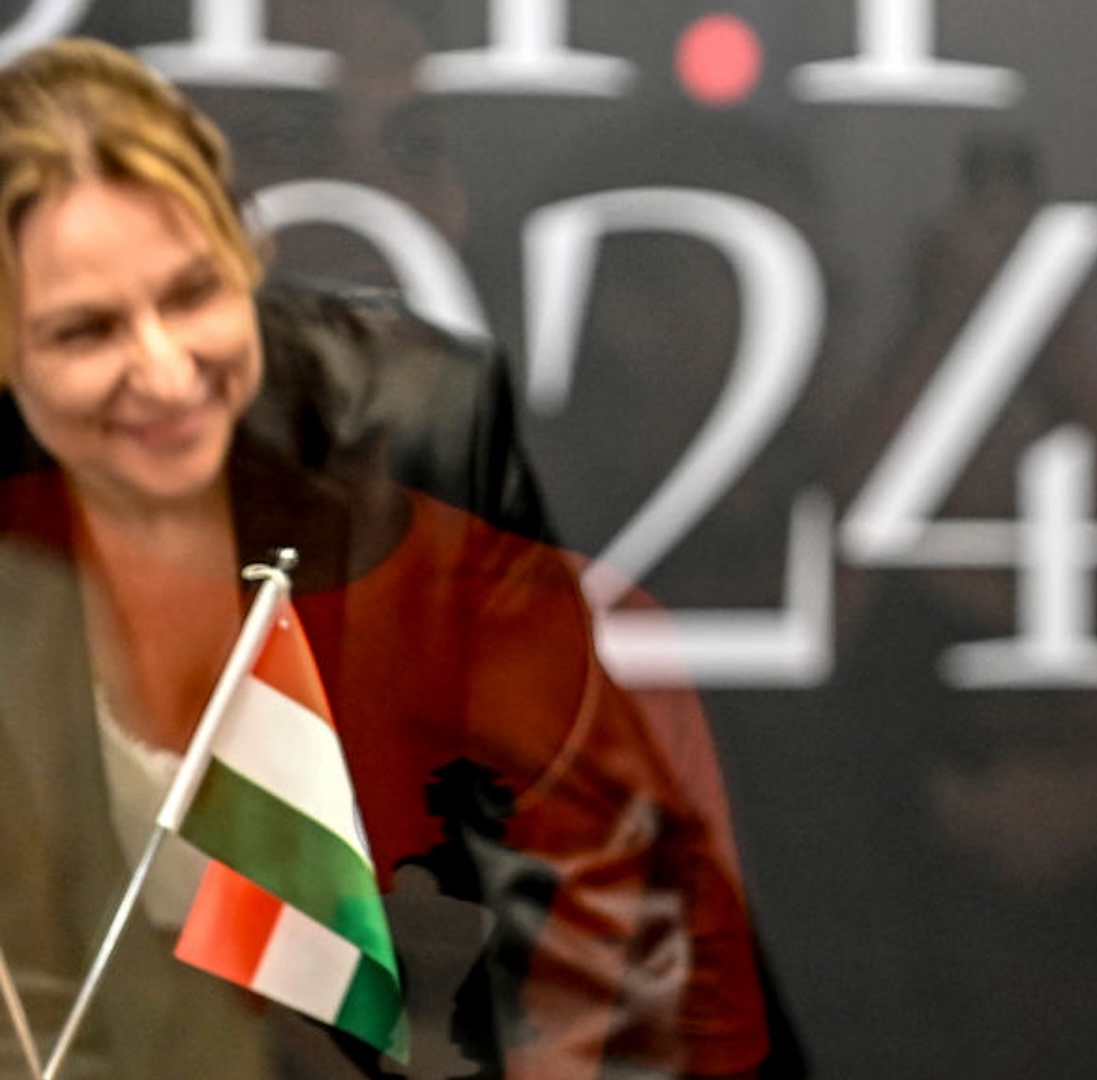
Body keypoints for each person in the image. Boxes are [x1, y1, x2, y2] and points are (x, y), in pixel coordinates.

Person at [0, 38, 769, 1079]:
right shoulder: (29, 603)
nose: (165, 368)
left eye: (192, 296)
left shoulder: (531, 622)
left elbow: (654, 1030)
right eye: (88, 330)